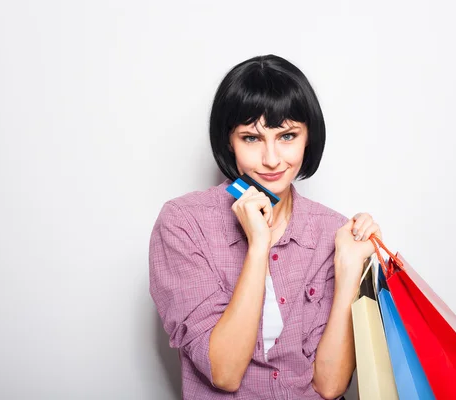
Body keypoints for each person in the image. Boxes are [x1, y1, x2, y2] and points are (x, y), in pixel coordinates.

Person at [149, 54, 382, 400]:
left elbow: (330, 386)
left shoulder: (331, 231)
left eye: (287, 136)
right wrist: (258, 246)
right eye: (252, 138)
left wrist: (349, 270)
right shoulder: (183, 224)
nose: (272, 159)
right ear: (229, 140)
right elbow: (224, 372)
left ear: (308, 138)